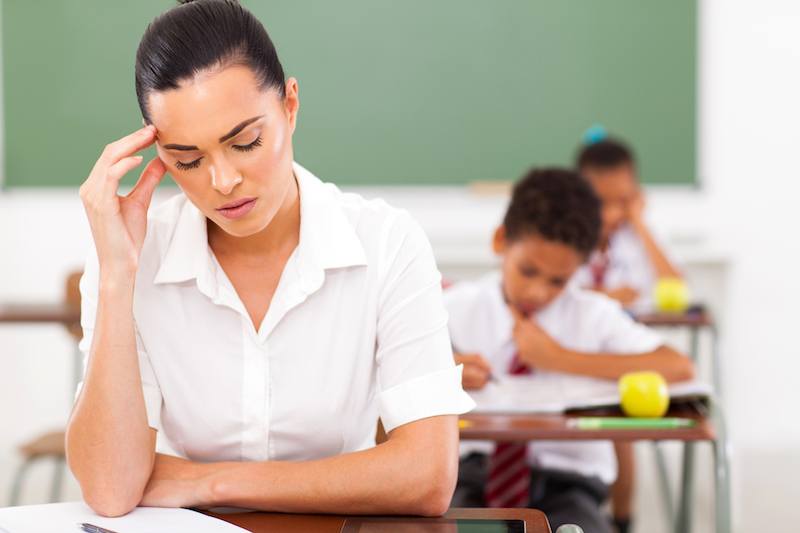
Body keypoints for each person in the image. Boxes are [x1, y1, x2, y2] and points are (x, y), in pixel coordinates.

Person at [66, 0, 473, 517]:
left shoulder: (386, 242)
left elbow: (428, 476)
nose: (223, 181)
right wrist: (116, 278)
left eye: (246, 142)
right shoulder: (132, 256)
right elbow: (109, 488)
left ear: (290, 106)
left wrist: (208, 483)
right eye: (186, 160)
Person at [446, 168, 693, 533]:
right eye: (527, 271)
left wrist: (557, 357)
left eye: (558, 281)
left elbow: (678, 366)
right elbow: (382, 367)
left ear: (580, 267)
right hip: (472, 474)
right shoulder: (456, 307)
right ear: (501, 242)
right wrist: (443, 370)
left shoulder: (592, 315)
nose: (537, 292)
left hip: (568, 482)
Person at [572, 133, 684, 311]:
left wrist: (639, 222)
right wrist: (607, 297)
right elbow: (553, 294)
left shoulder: (636, 237)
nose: (613, 214)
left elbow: (676, 289)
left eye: (623, 201)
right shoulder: (565, 236)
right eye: (601, 202)